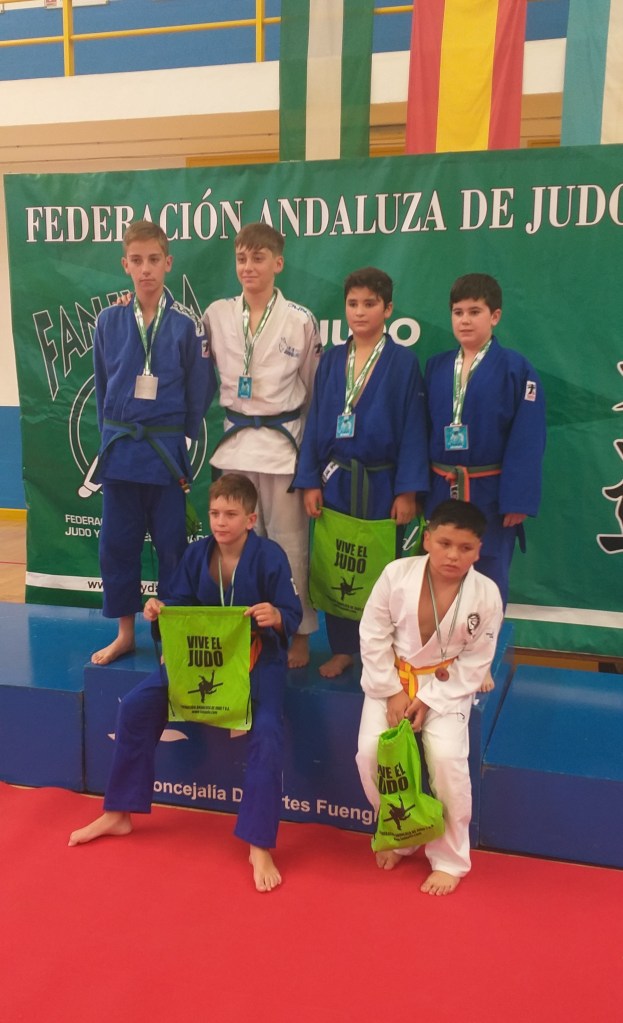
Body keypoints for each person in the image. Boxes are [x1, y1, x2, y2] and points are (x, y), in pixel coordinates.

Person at [69, 473, 303, 893]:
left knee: (268, 730)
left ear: (251, 519)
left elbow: (291, 611)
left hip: (256, 659)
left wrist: (277, 616)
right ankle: (119, 812)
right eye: (214, 513)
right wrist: (159, 610)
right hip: (201, 658)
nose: (221, 522)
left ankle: (258, 842)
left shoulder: (270, 557)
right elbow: (178, 602)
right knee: (136, 706)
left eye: (231, 514)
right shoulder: (197, 554)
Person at [355, 500, 503, 895]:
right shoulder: (397, 574)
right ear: (427, 539)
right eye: (445, 543)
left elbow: (476, 661)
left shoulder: (486, 594)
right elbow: (372, 634)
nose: (453, 555)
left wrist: (431, 700)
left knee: (446, 762)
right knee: (371, 754)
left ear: (479, 550)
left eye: (465, 548)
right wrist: (392, 692)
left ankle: (450, 859)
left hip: (445, 684)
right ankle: (401, 835)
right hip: (392, 678)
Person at [91, 219, 217, 665]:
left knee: (171, 546)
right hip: (122, 449)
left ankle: (171, 637)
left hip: (164, 452)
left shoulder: (185, 325)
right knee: (117, 544)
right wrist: (113, 433)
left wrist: (179, 433)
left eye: (153, 259)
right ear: (124, 264)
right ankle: (125, 633)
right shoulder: (108, 320)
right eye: (137, 260)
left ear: (169, 263)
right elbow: (103, 384)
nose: (145, 269)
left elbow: (200, 389)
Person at [293, 267, 429, 677]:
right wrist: (309, 480)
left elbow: (413, 428)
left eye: (370, 303)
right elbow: (317, 420)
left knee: (382, 567)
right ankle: (343, 648)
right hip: (336, 478)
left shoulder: (403, 363)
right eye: (353, 303)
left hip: (382, 481)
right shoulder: (333, 360)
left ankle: (384, 650)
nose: (360, 311)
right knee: (339, 564)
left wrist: (407, 490)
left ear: (388, 309)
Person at [203, 223, 321, 670]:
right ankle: (242, 628)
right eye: (241, 259)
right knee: (235, 543)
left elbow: (313, 391)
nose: (248, 267)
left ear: (278, 263)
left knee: (289, 545)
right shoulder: (216, 315)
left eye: (258, 258)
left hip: (282, 446)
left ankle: (297, 631)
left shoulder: (300, 319)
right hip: (234, 446)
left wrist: (308, 459)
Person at [425, 272, 546, 608]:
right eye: (458, 312)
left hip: (490, 493)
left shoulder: (517, 369)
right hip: (442, 488)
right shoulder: (436, 367)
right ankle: (439, 636)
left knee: (488, 571)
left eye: (474, 311)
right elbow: (421, 431)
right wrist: (418, 489)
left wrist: (517, 499)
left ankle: (484, 637)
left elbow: (528, 438)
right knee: (440, 569)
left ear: (495, 316)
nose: (465, 320)